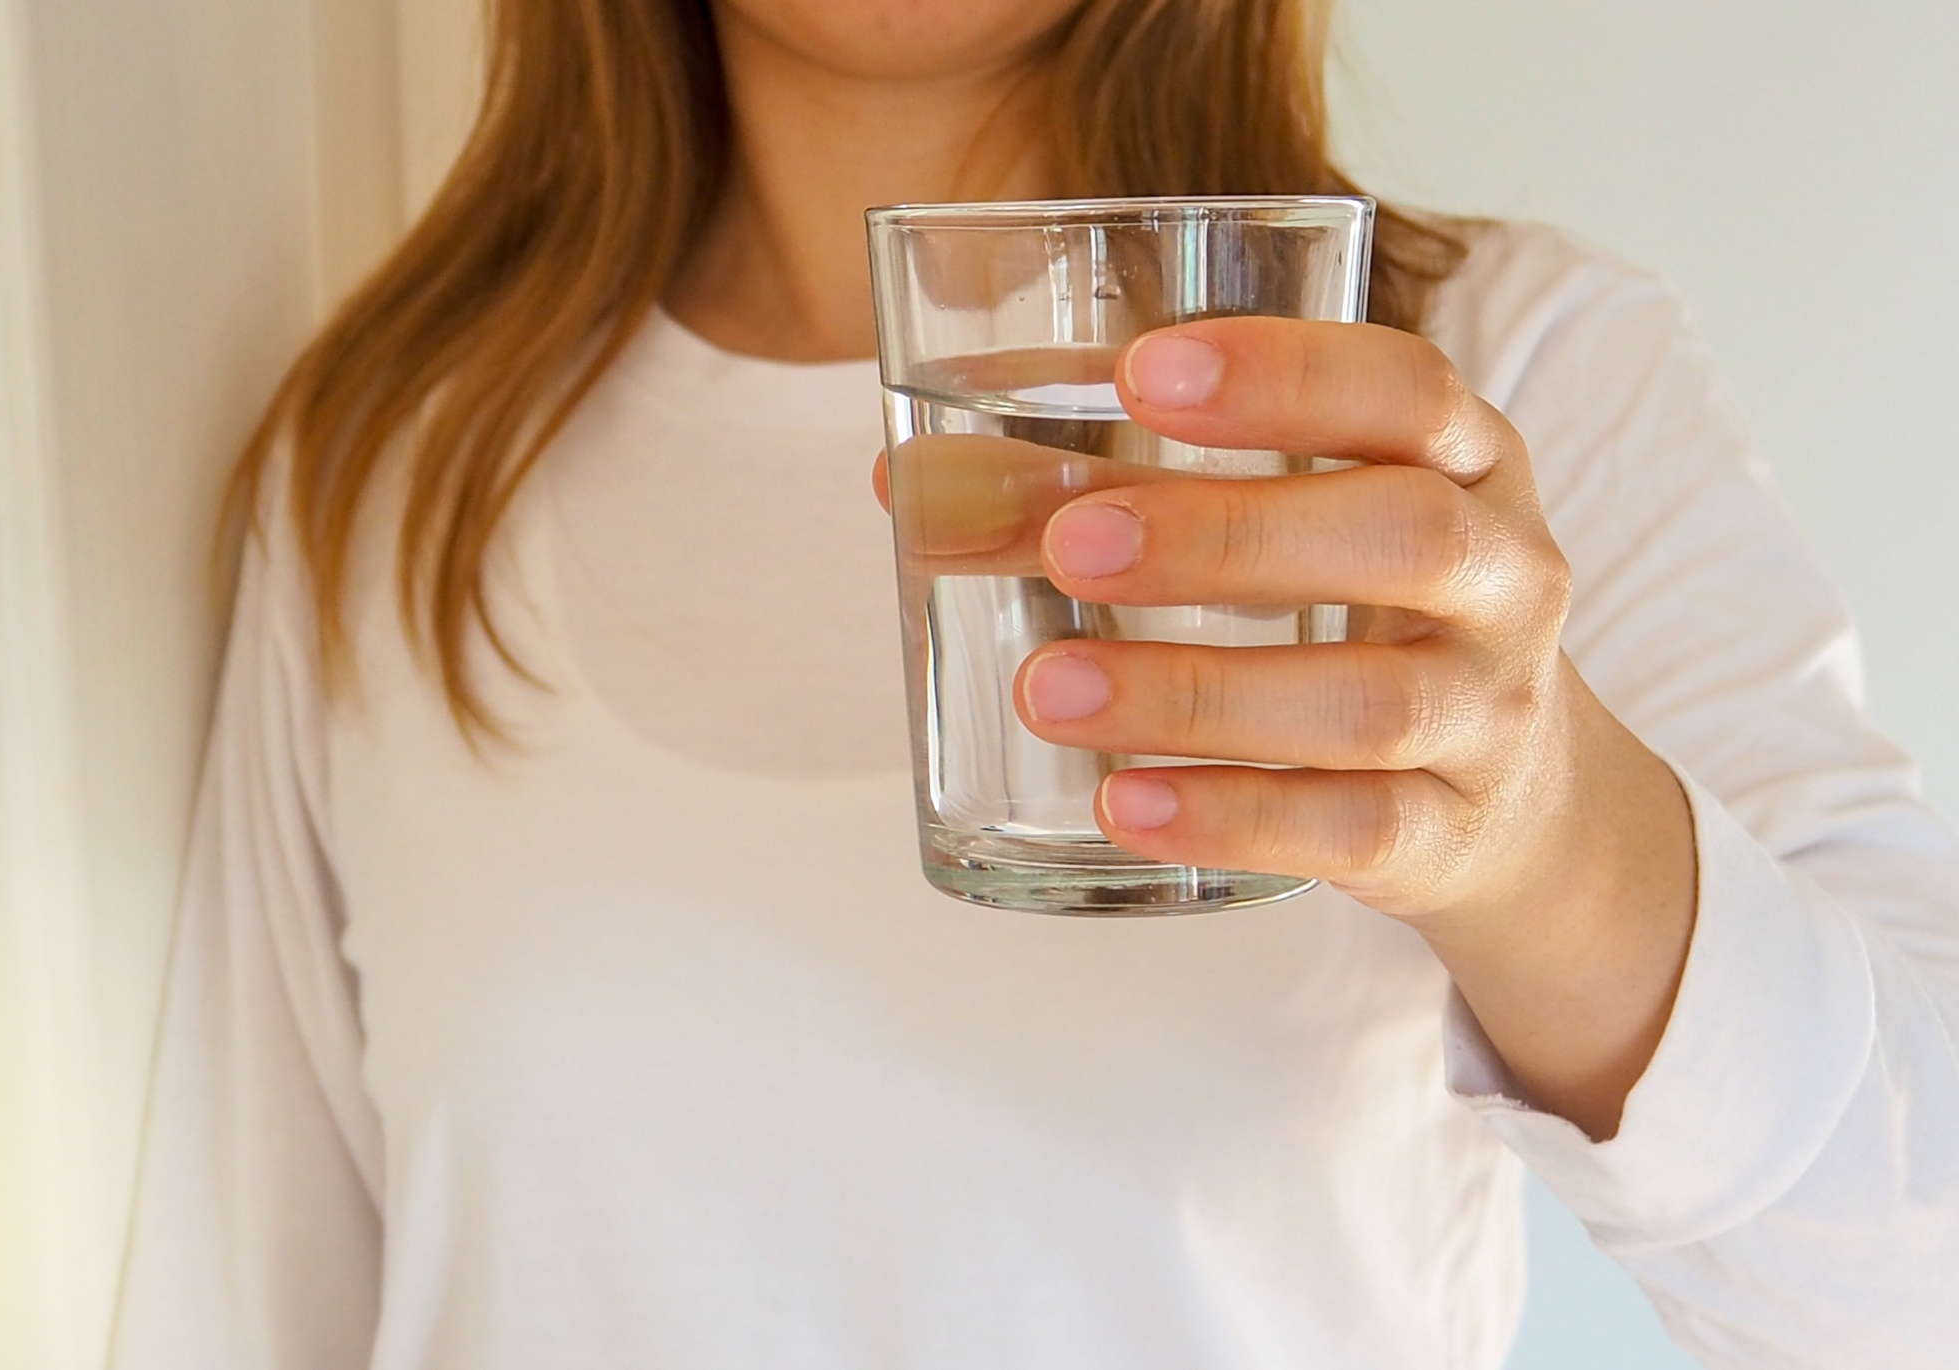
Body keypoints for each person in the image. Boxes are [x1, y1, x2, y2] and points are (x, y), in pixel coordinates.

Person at [110, 2, 1959, 1367]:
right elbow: (242, 1308)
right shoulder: (391, 476)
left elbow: (1912, 1285)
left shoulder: (1514, 378)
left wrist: (1545, 837)